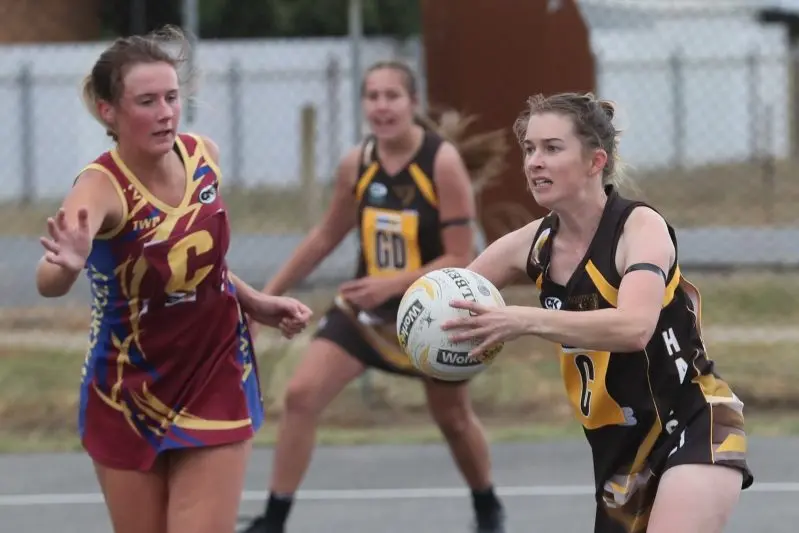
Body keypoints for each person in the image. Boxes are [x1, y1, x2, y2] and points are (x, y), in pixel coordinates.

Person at [34, 26, 313, 533]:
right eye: (146, 101)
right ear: (108, 111)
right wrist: (67, 264)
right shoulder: (100, 188)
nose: (165, 112)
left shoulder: (203, 154)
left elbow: (199, 265)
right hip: (127, 388)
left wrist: (253, 301)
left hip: (214, 372)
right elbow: (47, 279)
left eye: (171, 97)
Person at [441, 92, 754, 533]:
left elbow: (634, 327)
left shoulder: (640, 229)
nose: (534, 162)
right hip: (620, 456)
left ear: (594, 162)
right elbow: (447, 299)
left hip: (691, 422)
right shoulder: (532, 244)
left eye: (552, 148)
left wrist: (523, 319)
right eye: (529, 149)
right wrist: (426, 329)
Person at [242, 60, 510, 533]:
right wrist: (264, 298)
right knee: (302, 395)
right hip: (365, 315)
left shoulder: (440, 162)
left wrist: (391, 284)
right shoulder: (358, 163)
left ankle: (487, 506)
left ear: (413, 103)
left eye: (392, 96)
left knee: (452, 418)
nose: (382, 106)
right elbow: (324, 237)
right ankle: (274, 519)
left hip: (429, 316)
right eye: (373, 96)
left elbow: (459, 255)